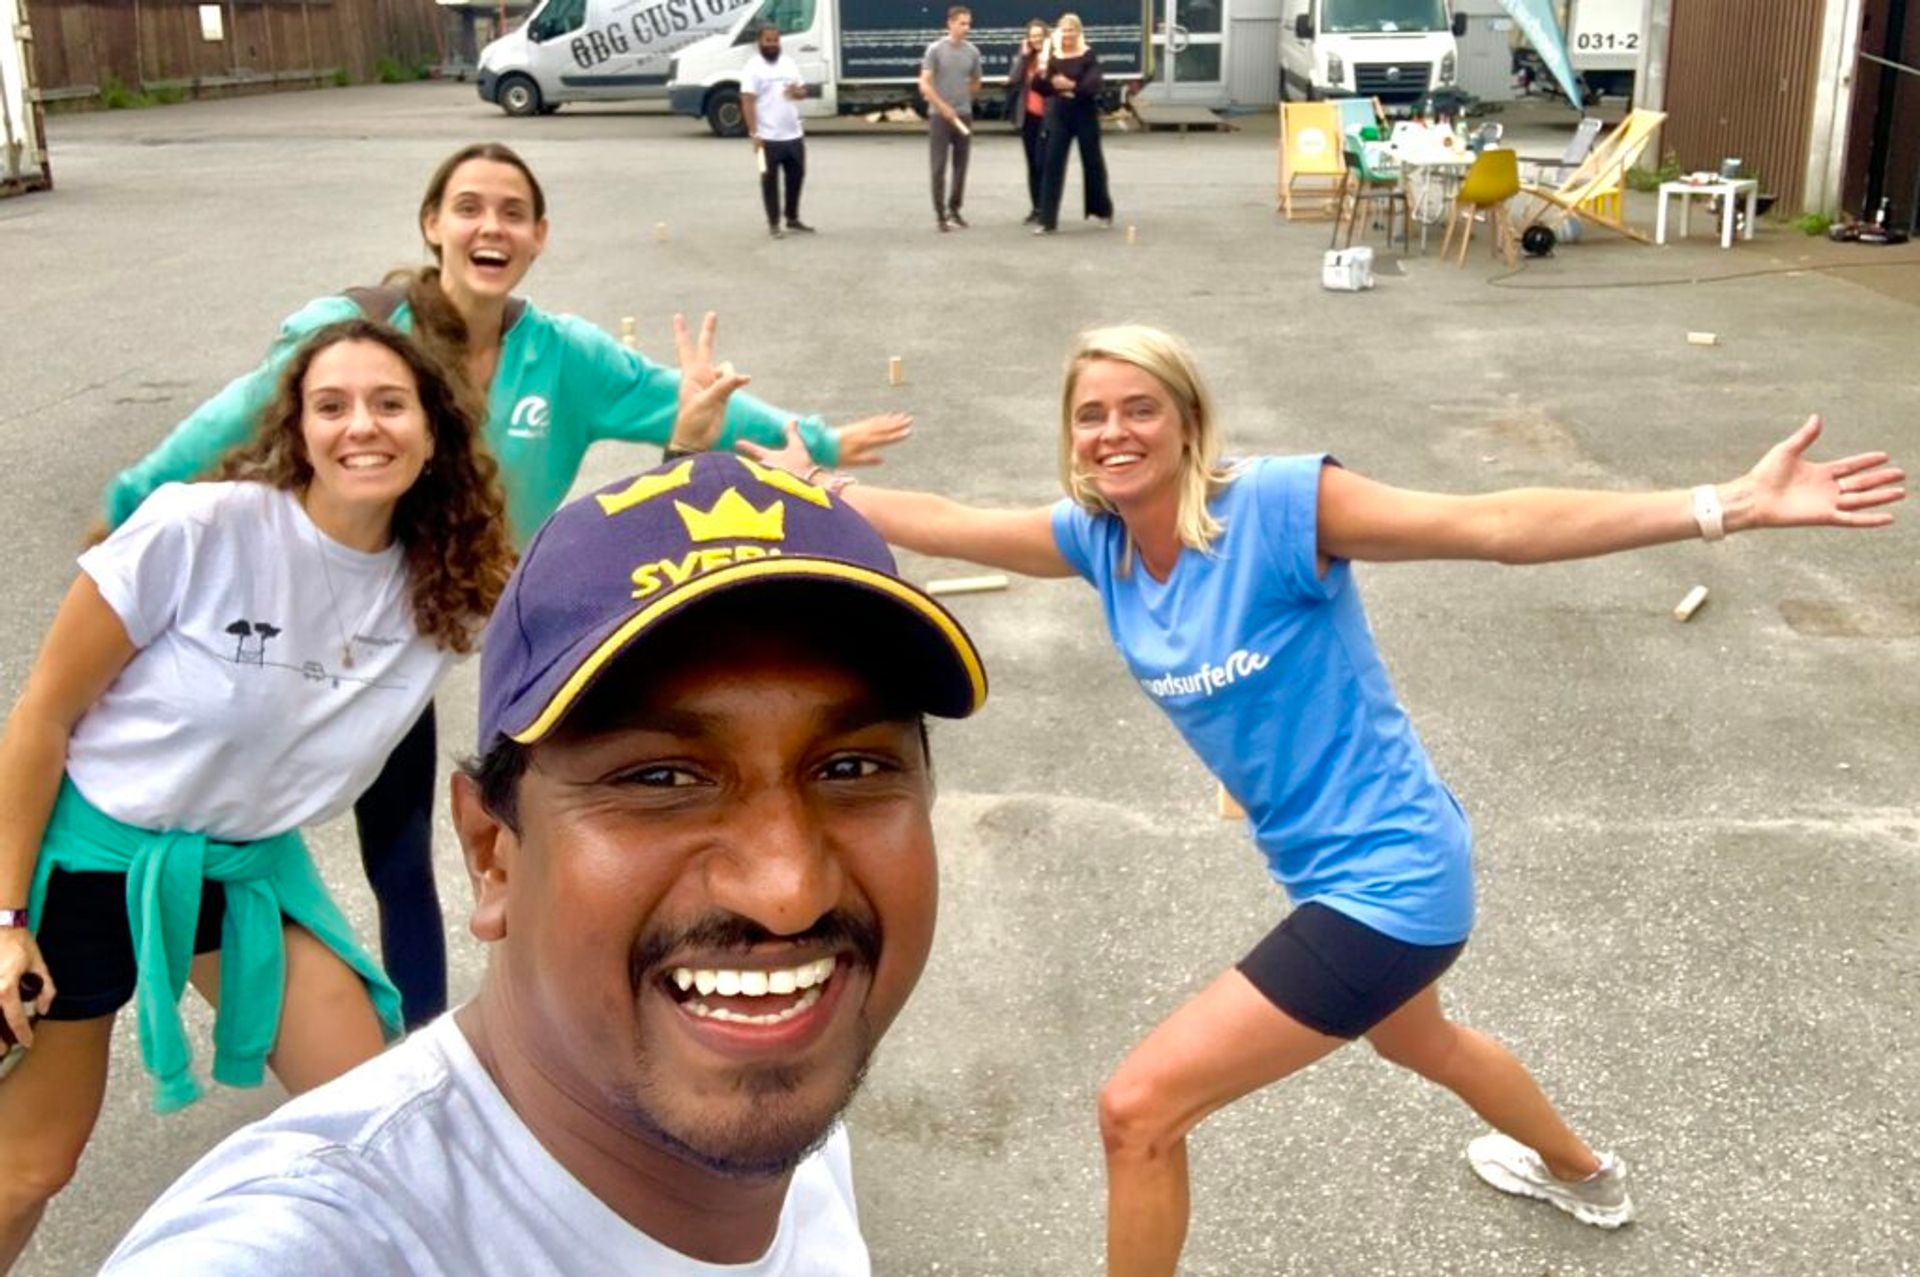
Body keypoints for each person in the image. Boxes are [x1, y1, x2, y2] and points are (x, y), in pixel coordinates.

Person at [741, 326, 1905, 1275]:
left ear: (1189, 421)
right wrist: (821, 487)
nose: (1114, 431)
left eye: (1140, 406)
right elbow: (943, 521)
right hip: (1347, 867)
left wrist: (1723, 506)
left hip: (1393, 880)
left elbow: (1494, 525)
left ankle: (1579, 1170)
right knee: (1423, 1038)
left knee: (1138, 1109)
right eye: (1091, 414)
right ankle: (1586, 1175)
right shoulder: (1097, 541)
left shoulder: (1282, 507)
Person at [101, 450, 989, 1274]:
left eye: (851, 768)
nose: (788, 891)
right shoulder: (320, 1237)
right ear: (493, 853)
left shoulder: (783, 1093)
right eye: (661, 777)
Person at [99, 141, 907, 1031]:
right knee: (205, 795)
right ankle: (107, 931)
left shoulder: (562, 355)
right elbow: (228, 422)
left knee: (413, 852)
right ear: (433, 225)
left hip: (421, 632)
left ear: (539, 236)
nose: (492, 225)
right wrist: (126, 519)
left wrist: (818, 441)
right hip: (306, 621)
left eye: (513, 211)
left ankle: (421, 1041)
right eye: (470, 206)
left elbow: (694, 401)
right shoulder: (357, 335)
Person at [0, 320, 521, 1269]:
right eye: (333, 406)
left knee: (379, 1117)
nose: (361, 425)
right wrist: (3, 918)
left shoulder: (454, 585)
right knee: (28, 1167)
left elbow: (589, 635)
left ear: (435, 429)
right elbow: (41, 717)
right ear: (300, 430)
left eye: (389, 403)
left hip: (239, 870)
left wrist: (697, 445)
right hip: (84, 859)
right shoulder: (200, 528)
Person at [1033, 12, 1114, 235]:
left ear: (1078, 32)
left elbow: (1092, 86)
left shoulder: (1087, 55)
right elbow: (1040, 87)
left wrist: (1068, 86)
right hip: (1059, 114)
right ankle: (1047, 220)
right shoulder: (1054, 56)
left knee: (1093, 162)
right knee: (1052, 164)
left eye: (1071, 30)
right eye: (1063, 30)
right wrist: (1043, 75)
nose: (1067, 34)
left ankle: (1103, 210)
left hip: (1084, 114)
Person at [744, 24, 815, 238]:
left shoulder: (789, 63)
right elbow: (747, 100)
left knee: (797, 176)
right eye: (768, 40)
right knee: (769, 181)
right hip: (767, 137)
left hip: (793, 134)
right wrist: (754, 133)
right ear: (760, 42)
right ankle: (774, 223)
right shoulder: (752, 67)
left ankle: (792, 218)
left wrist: (798, 92)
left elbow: (802, 92)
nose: (773, 45)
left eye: (776, 40)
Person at [920, 6, 983, 232]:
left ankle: (954, 210)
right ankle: (940, 215)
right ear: (950, 23)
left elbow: (976, 81)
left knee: (961, 166)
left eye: (968, 23)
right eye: (962, 23)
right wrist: (942, 106)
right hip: (939, 116)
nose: (966, 28)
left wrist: (966, 96)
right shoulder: (935, 50)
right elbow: (924, 83)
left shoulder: (972, 52)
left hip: (963, 114)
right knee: (938, 167)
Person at [1008, 19, 1053, 225]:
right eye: (1032, 36)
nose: (1036, 39)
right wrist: (1024, 56)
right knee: (1032, 165)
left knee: (1045, 163)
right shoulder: (1026, 59)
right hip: (1029, 118)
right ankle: (1036, 208)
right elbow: (1014, 78)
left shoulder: (1053, 57)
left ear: (1046, 36)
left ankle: (1047, 208)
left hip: (1048, 117)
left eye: (1039, 35)